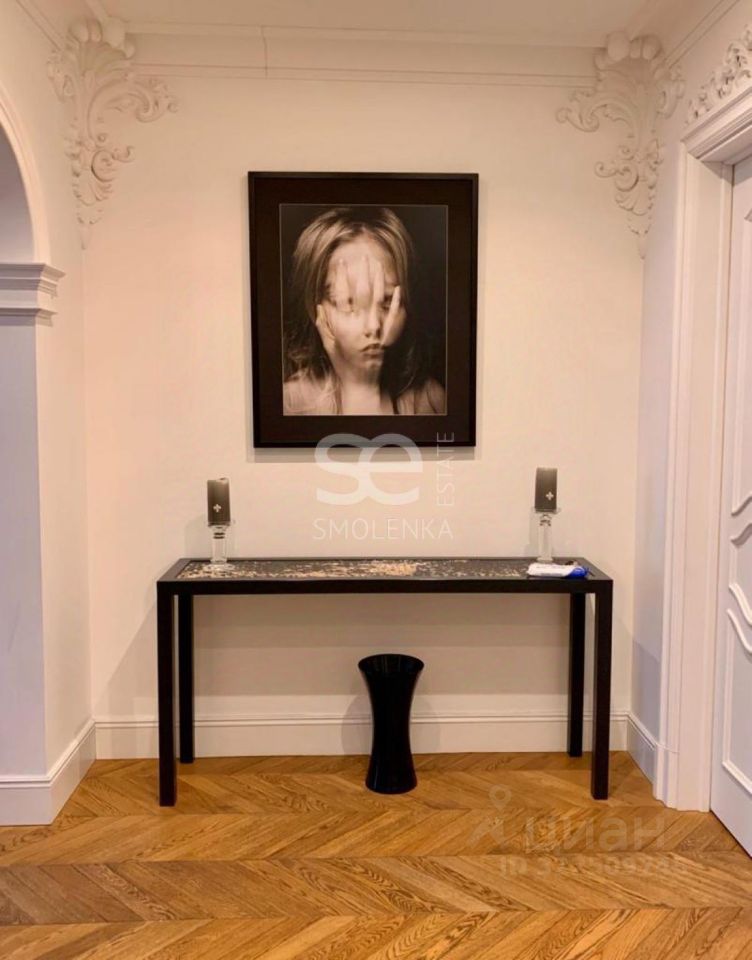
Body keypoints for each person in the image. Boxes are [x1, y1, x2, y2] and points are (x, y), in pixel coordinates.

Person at [283, 206, 446, 416]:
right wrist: (359, 388)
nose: (373, 326)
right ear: (315, 309)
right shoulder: (290, 404)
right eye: (348, 303)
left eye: (387, 301)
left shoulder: (431, 401)